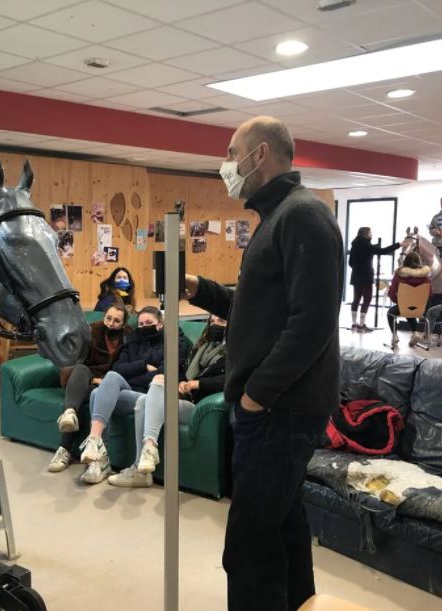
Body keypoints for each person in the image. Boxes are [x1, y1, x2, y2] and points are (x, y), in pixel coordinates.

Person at [185, 116, 343, 611]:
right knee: (283, 528)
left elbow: (312, 323)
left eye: (233, 152)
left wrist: (256, 396)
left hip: (279, 410)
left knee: (249, 546)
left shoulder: (303, 216)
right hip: (273, 410)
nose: (227, 164)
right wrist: (200, 290)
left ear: (261, 154)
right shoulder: (276, 219)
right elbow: (259, 312)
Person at [108, 315, 227, 488]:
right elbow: (182, 373)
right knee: (144, 399)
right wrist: (180, 383)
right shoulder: (201, 347)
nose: (215, 325)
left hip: (198, 404)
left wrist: (198, 383)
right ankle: (142, 468)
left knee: (156, 382)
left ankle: (148, 449)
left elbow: (230, 380)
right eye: (212, 321)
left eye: (221, 321)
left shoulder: (235, 351)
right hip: (182, 397)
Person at [77, 306, 188, 485]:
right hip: (130, 391)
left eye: (149, 323)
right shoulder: (133, 340)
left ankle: (104, 456)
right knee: (101, 389)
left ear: (161, 324)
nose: (144, 327)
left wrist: (135, 372)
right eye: (141, 323)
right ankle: (97, 448)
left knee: (103, 391)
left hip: (152, 394)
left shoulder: (176, 340)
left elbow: (164, 373)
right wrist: (143, 365)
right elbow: (117, 369)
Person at [48, 303, 133, 473]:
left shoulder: (129, 337)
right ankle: (69, 413)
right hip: (86, 378)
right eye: (108, 318)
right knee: (80, 370)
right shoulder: (91, 332)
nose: (111, 323)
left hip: (109, 385)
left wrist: (106, 381)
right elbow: (76, 361)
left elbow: (128, 366)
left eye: (116, 321)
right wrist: (93, 379)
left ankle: (64, 449)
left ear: (123, 324)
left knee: (86, 396)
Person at [348, 227, 404, 332]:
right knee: (367, 299)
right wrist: (399, 245)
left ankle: (354, 324)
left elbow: (350, 262)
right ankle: (361, 325)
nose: (372, 235)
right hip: (366, 277)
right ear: (366, 234)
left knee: (356, 299)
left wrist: (358, 268)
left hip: (355, 276)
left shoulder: (355, 245)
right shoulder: (366, 245)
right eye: (370, 233)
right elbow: (383, 251)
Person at [387, 252, 432, 347]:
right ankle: (415, 333)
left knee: (391, 312)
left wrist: (399, 302)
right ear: (419, 262)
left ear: (405, 261)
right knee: (410, 308)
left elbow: (391, 293)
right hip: (420, 309)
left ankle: (395, 336)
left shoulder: (399, 275)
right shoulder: (425, 277)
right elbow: (430, 293)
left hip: (404, 306)